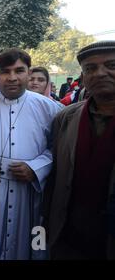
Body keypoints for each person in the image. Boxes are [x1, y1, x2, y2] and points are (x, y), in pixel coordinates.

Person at [0, 48, 62, 260]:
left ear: (28, 73)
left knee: (30, 244)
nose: (12, 78)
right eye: (5, 71)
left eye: (19, 71)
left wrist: (36, 168)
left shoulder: (49, 108)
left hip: (29, 189)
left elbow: (59, 148)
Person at [43, 41, 115, 259]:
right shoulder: (66, 117)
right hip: (69, 236)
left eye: (111, 65)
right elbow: (54, 176)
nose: (100, 73)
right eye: (90, 69)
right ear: (83, 77)